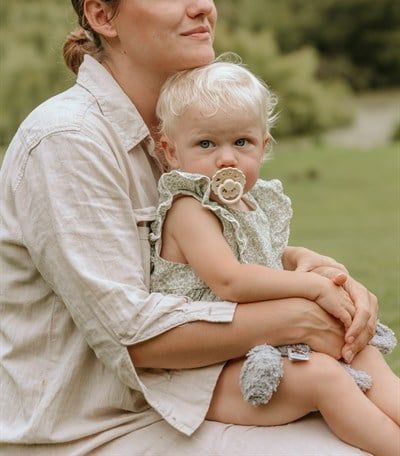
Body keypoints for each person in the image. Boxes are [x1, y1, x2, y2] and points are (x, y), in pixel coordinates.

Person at [0, 0, 382, 455]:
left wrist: (313, 271)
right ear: (102, 17)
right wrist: (298, 316)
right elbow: (134, 335)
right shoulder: (67, 141)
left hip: (187, 400)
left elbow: (203, 259)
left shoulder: (187, 131)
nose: (201, 6)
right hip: (92, 432)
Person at [150, 60, 399, 456]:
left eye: (241, 143)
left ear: (263, 146)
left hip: (254, 344)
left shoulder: (251, 202)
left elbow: (259, 255)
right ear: (171, 150)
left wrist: (296, 257)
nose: (227, 159)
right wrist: (311, 287)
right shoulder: (189, 209)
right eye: (206, 144)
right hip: (200, 370)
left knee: (356, 348)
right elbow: (230, 280)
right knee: (322, 376)